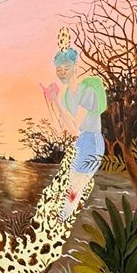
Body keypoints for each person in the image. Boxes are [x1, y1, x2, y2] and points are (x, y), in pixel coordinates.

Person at [40, 28, 106, 220]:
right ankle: (60, 220)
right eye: (59, 69)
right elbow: (64, 128)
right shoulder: (67, 96)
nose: (62, 73)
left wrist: (56, 101)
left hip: (92, 142)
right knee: (69, 189)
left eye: (66, 68)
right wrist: (54, 101)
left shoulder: (88, 92)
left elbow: (75, 128)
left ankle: (62, 222)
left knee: (74, 191)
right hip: (80, 143)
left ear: (75, 67)